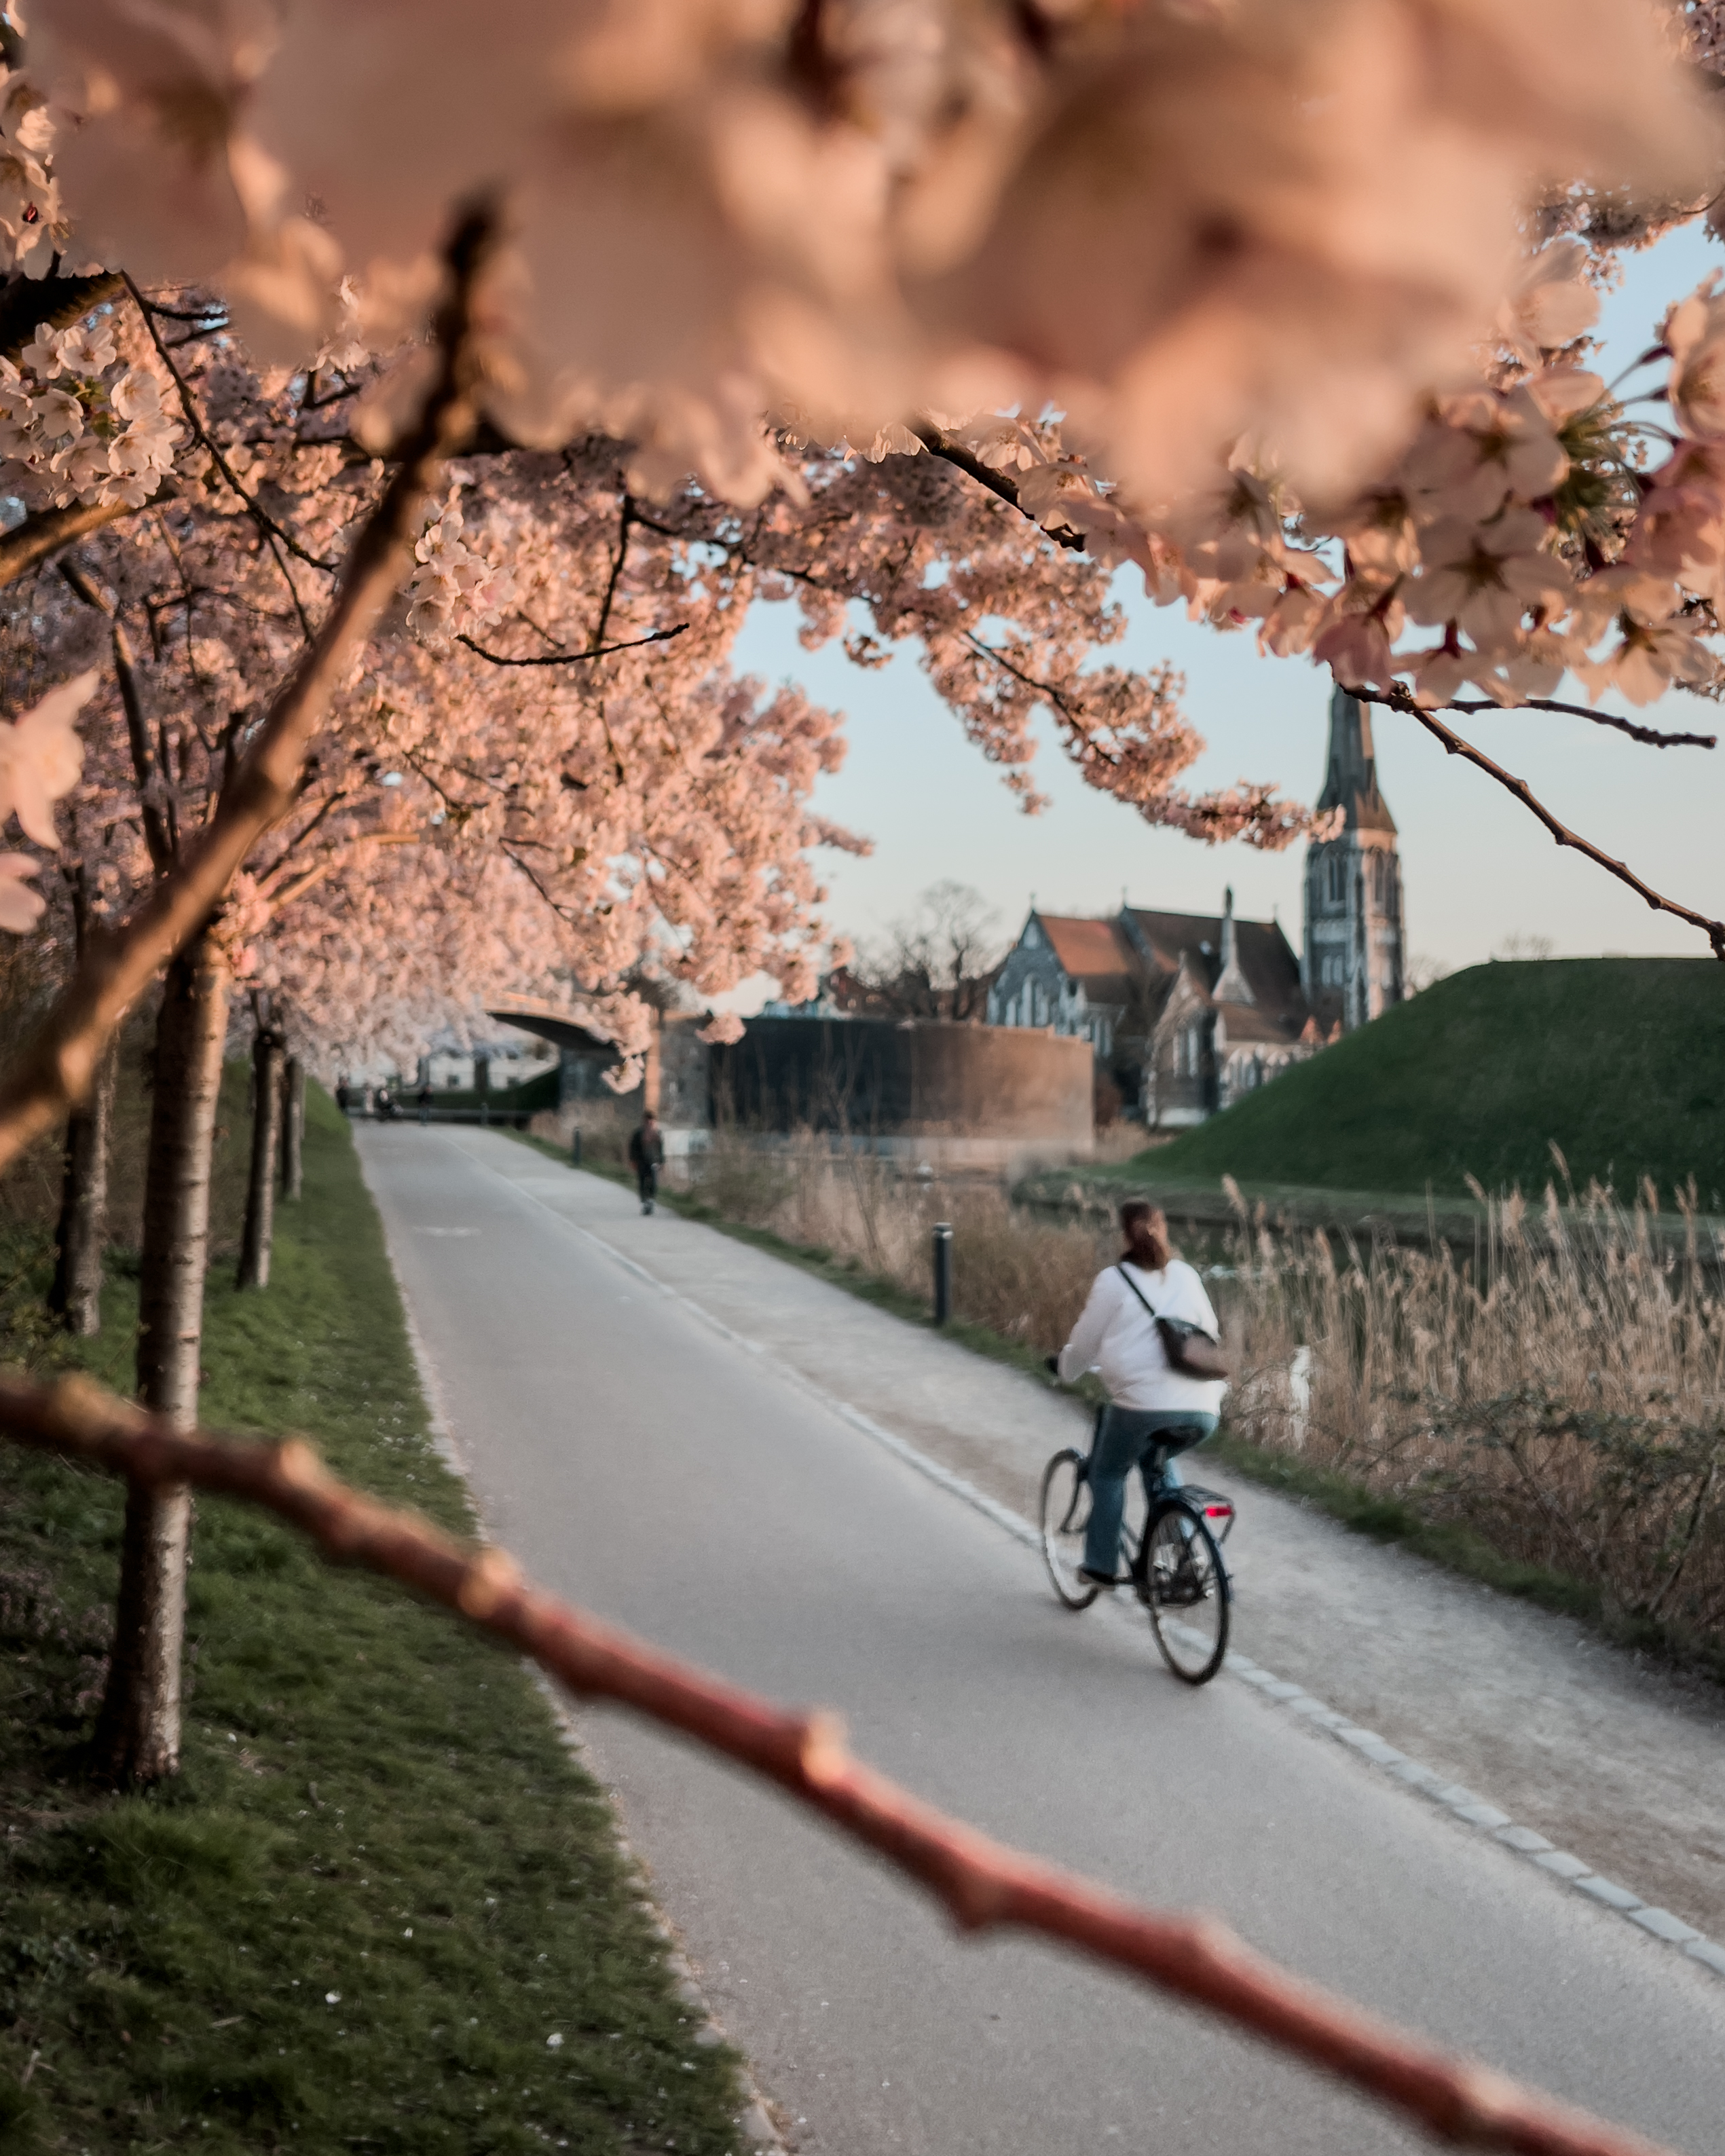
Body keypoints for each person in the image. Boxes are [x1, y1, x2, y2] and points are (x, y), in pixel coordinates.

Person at [1055, 1199, 1225, 1589]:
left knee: (1109, 1471)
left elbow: (1083, 1345)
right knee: (1157, 1461)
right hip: (1203, 1407)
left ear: (1123, 1234)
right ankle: (1182, 1558)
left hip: (1141, 1407)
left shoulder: (1114, 1280)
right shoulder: (1186, 1276)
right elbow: (1210, 1331)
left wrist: (1065, 1370)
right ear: (1163, 1229)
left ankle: (1099, 1567)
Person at [628, 1111, 665, 1214]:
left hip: (653, 1162)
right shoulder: (638, 1133)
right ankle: (644, 1202)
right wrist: (633, 1160)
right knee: (642, 1182)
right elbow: (633, 1148)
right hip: (641, 1161)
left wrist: (661, 1161)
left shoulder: (657, 1133)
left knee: (653, 1183)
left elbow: (660, 1150)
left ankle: (651, 1200)